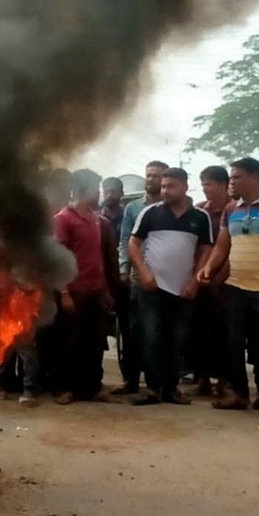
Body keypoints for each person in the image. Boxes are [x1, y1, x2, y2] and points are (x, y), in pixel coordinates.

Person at [198, 157, 259, 421]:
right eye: (231, 178)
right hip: (236, 286)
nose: (231, 182)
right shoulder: (231, 209)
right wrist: (209, 267)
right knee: (232, 342)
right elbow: (222, 245)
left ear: (254, 178)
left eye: (236, 178)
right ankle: (239, 394)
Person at [127, 167, 212, 405]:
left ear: (185, 186)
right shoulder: (150, 213)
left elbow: (207, 249)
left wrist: (195, 280)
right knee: (151, 337)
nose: (165, 191)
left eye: (171, 186)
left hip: (183, 290)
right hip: (152, 287)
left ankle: (171, 389)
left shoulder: (199, 217)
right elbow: (133, 244)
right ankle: (153, 389)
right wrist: (143, 272)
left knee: (177, 339)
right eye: (163, 186)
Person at [52, 170, 115, 405]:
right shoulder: (63, 218)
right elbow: (58, 258)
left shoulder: (98, 220)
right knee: (69, 342)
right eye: (95, 188)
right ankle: (64, 388)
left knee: (94, 342)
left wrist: (106, 290)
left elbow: (99, 258)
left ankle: (92, 388)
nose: (99, 193)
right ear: (80, 190)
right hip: (74, 291)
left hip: (95, 291)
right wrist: (65, 292)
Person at [118, 161, 167, 393]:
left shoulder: (172, 208)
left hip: (168, 279)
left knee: (160, 332)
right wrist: (124, 269)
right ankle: (131, 381)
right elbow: (125, 241)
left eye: (156, 176)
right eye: (148, 175)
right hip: (139, 277)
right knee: (134, 331)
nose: (150, 179)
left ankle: (158, 383)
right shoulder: (133, 208)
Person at [190, 165, 232, 397]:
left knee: (225, 332)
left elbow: (233, 248)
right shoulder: (199, 211)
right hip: (200, 279)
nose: (207, 189)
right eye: (204, 183)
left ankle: (224, 381)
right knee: (200, 331)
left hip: (227, 281)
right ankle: (202, 378)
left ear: (224, 185)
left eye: (211, 184)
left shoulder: (234, 210)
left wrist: (220, 277)